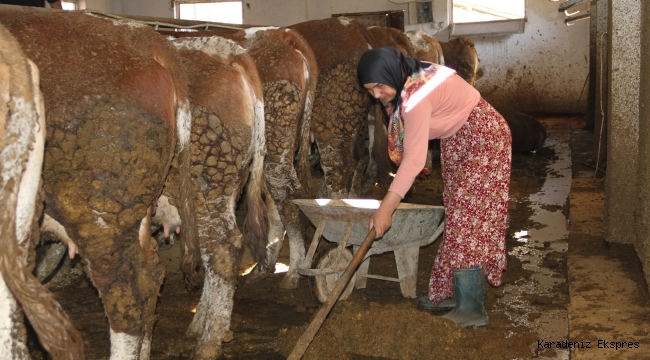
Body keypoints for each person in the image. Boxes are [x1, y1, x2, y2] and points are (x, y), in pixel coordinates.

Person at [357, 46, 511, 328]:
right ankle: (456, 292)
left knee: (470, 221)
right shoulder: (408, 76)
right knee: (458, 215)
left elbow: (415, 160)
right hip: (458, 137)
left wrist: (386, 208)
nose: (376, 95)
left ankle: (472, 308)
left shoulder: (417, 95)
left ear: (392, 73)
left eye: (379, 86)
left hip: (483, 137)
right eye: (370, 90)